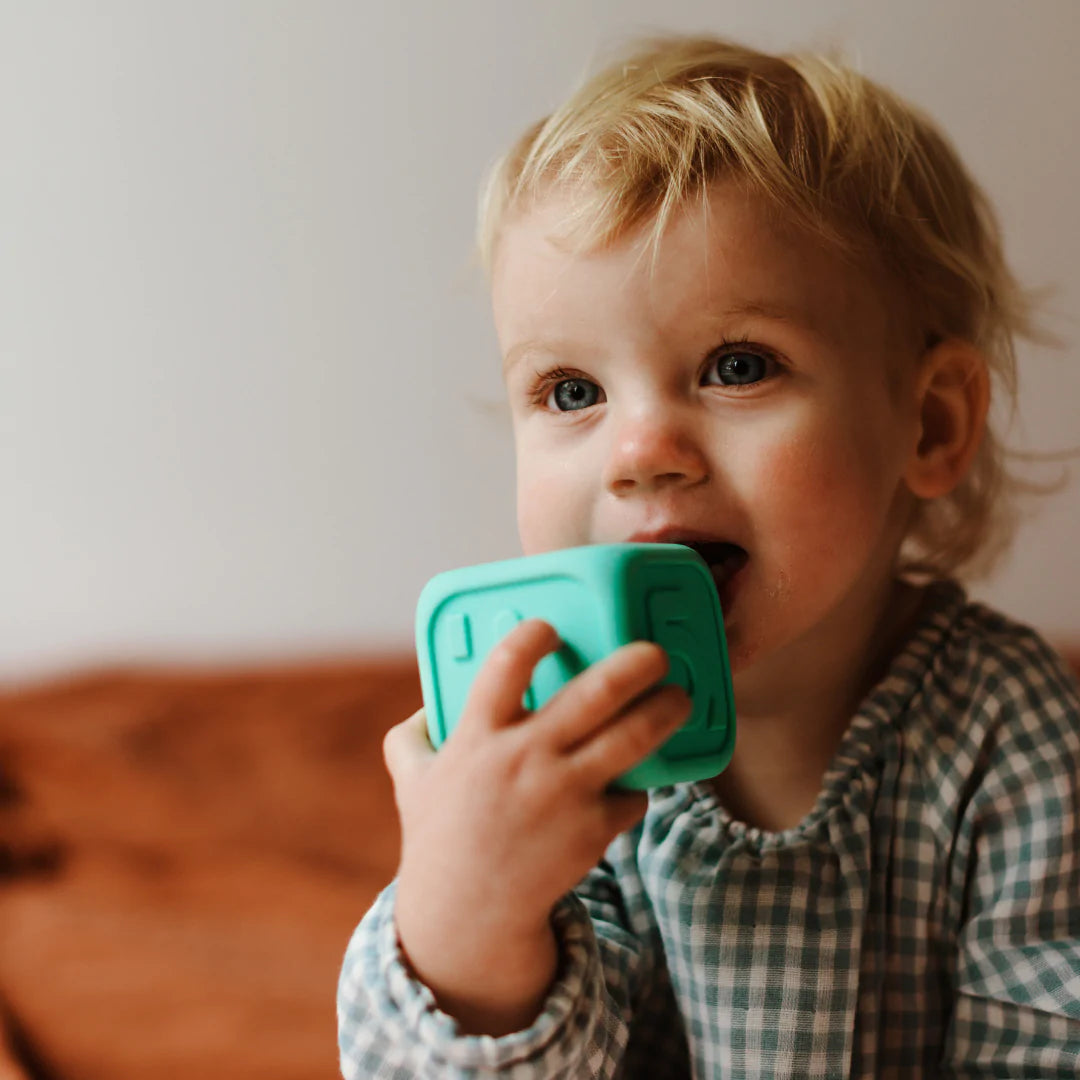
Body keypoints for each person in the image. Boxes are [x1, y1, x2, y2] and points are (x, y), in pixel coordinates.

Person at [337, 34, 1080, 1078]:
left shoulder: (1002, 726)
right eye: (571, 392)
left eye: (737, 366)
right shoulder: (559, 733)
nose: (640, 453)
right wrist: (471, 914)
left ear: (928, 425)